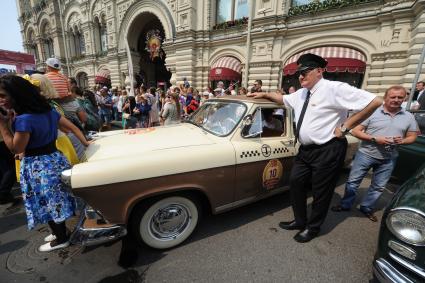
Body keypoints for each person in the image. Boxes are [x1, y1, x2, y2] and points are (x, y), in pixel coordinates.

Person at [249, 53, 382, 243]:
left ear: (319, 71)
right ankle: (300, 220)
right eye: (299, 73)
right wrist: (263, 94)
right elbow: (283, 99)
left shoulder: (334, 88)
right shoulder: (302, 93)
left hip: (328, 148)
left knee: (321, 192)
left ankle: (313, 228)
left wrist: (346, 127)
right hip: (306, 150)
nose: (300, 76)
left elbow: (375, 101)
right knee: (295, 183)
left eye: (305, 72)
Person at [0, 75, 90, 252]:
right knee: (57, 199)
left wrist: (3, 125)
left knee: (47, 202)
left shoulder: (24, 119)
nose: (0, 99)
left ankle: (62, 238)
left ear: (17, 95)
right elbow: (68, 127)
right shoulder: (48, 110)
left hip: (38, 166)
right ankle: (60, 231)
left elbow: (15, 148)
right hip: (54, 158)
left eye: (3, 95)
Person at [331, 86, 417, 221]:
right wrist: (375, 139)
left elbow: (412, 136)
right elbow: (355, 130)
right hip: (366, 154)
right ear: (385, 97)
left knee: (378, 186)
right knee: (353, 182)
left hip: (389, 157)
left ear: (404, 99)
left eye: (400, 97)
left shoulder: (409, 116)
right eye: (392, 97)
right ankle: (345, 204)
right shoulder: (372, 112)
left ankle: (366, 207)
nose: (396, 100)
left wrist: (403, 141)